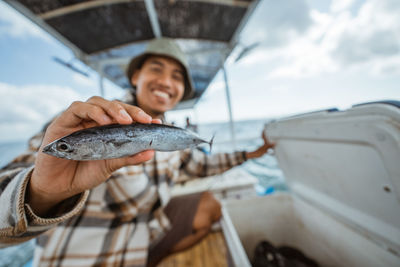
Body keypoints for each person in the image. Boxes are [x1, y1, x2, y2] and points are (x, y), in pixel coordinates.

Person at [0, 38, 274, 267]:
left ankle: (155, 258)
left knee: (210, 205)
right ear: (135, 77)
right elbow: (20, 176)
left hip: (146, 233)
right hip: (89, 256)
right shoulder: (88, 121)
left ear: (181, 92)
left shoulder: (171, 135)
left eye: (177, 76)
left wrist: (251, 154)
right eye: (156, 69)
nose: (166, 81)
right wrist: (42, 191)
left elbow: (199, 165)